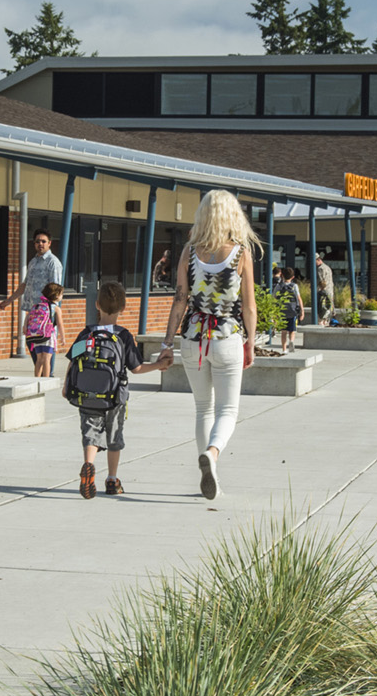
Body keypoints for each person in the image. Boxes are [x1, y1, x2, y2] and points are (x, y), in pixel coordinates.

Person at [163, 190, 258, 500]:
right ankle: (213, 455)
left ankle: (208, 469)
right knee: (227, 410)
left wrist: (167, 342)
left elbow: (180, 299)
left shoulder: (189, 252)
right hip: (227, 337)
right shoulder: (241, 253)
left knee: (203, 408)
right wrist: (251, 343)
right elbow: (249, 306)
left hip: (193, 337)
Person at [64, 280, 170, 499]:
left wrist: (67, 386)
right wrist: (159, 365)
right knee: (114, 436)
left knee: (90, 432)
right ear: (123, 308)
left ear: (96, 305)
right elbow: (137, 368)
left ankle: (88, 465)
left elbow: (73, 360)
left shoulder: (86, 334)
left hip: (87, 394)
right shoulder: (123, 336)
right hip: (114, 396)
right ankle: (112, 480)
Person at [7, 228, 64, 357]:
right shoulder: (33, 262)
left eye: (43, 241)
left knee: (46, 350)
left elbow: (55, 290)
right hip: (33, 312)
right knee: (33, 346)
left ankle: (48, 375)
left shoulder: (53, 263)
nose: (40, 244)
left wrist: (53, 313)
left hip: (46, 314)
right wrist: (9, 300)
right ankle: (42, 375)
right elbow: (25, 284)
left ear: (49, 243)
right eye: (37, 241)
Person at [24, 282, 63, 377]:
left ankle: (36, 378)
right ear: (57, 295)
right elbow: (60, 324)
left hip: (37, 335)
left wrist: (25, 327)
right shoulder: (56, 308)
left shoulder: (38, 306)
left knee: (39, 359)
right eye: (61, 294)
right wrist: (63, 337)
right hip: (48, 336)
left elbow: (28, 316)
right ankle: (46, 379)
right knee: (47, 359)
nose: (62, 296)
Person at [313, 251, 335, 325]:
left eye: (315, 261)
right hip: (330, 292)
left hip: (323, 293)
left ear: (318, 260)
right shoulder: (327, 267)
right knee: (327, 312)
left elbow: (321, 281)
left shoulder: (320, 269)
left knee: (322, 312)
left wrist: (320, 290)